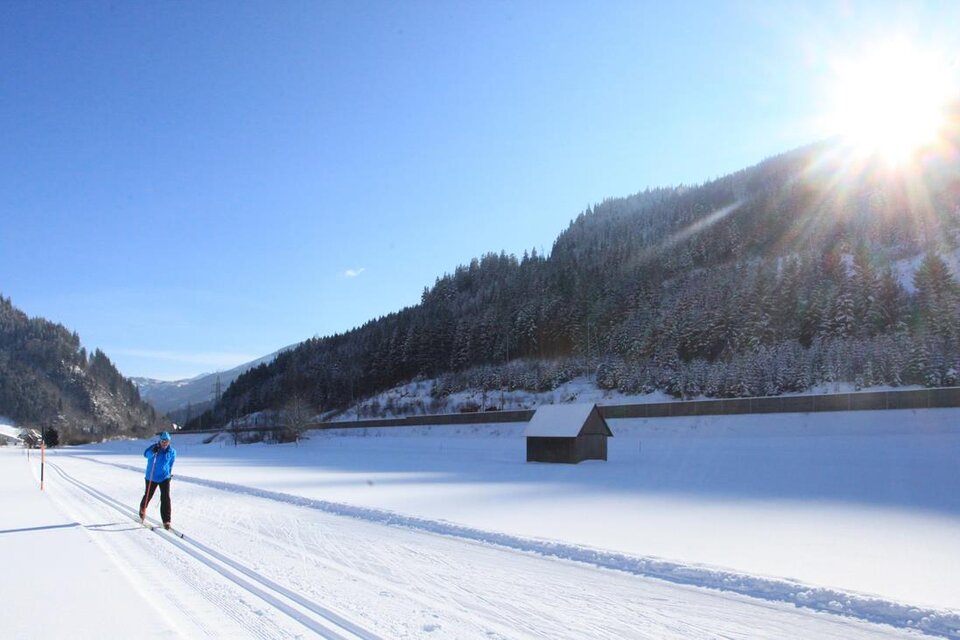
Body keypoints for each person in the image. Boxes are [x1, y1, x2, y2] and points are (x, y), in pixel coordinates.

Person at [139, 430, 176, 529]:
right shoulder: (154, 447)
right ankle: (142, 509)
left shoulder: (172, 452)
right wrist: (153, 451)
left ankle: (166, 520)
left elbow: (171, 464)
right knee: (148, 495)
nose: (164, 443)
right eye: (163, 441)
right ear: (160, 441)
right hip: (152, 476)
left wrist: (169, 474)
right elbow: (146, 454)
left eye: (166, 441)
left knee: (166, 498)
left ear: (169, 442)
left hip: (164, 477)